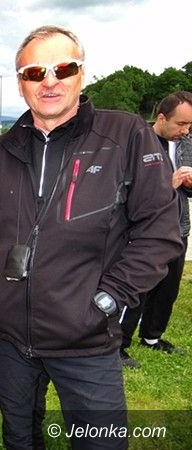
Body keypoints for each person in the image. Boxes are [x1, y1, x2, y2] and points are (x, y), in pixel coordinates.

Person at [0, 25, 183, 449]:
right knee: (20, 439)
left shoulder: (124, 134)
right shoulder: (3, 148)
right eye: (35, 72)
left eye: (63, 68)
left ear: (81, 74)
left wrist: (109, 298)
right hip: (8, 336)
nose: (49, 81)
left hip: (86, 337)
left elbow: (160, 231)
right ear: (21, 84)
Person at [120, 92, 192, 369]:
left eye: (190, 125)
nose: (185, 131)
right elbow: (127, 187)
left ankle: (152, 336)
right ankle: (118, 344)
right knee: (136, 287)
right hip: (145, 231)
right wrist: (167, 184)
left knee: (168, 289)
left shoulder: (186, 144)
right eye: (181, 124)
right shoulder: (138, 143)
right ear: (161, 118)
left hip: (178, 227)